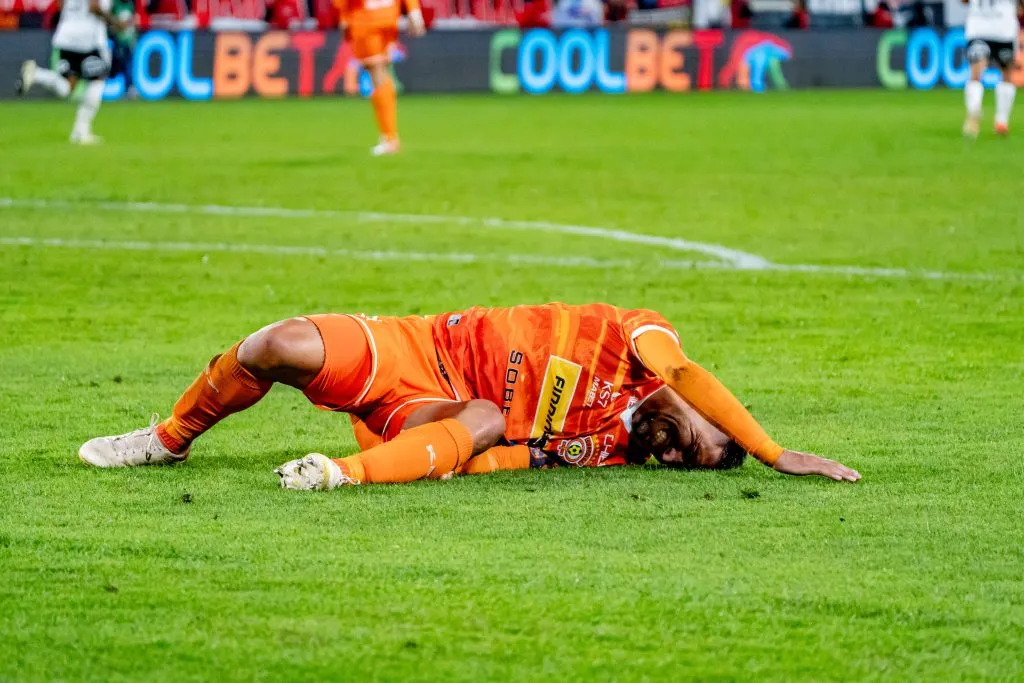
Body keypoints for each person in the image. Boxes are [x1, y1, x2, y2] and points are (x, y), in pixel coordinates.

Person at [79, 303, 861, 490]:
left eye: (677, 462)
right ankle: (168, 438)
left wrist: (437, 458)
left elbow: (504, 457)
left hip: (428, 420)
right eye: (690, 439)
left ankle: (333, 475)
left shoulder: (602, 447)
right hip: (420, 347)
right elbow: (688, 374)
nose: (670, 449)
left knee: (485, 420)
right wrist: (771, 450)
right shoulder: (644, 339)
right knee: (273, 345)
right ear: (700, 409)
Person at [15, 0, 122, 144]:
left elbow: (60, 4)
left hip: (66, 35)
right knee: (97, 80)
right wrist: (115, 22)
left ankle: (37, 75)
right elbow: (94, 6)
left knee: (67, 87)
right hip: (88, 39)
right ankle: (81, 132)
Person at [334, 0, 425, 156]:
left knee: (376, 71)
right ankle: (389, 137)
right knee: (380, 69)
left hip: (366, 21)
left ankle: (390, 138)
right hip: (389, 17)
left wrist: (343, 18)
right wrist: (414, 13)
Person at [962, 0, 1021, 137]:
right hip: (1004, 29)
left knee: (976, 73)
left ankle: (974, 112)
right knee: (1006, 74)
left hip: (979, 28)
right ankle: (1001, 121)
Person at [110, 0, 136, 99]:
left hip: (128, 39)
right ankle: (125, 87)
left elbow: (133, 20)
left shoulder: (130, 4)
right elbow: (110, 20)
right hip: (119, 40)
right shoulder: (115, 4)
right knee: (120, 65)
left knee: (128, 65)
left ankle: (129, 88)